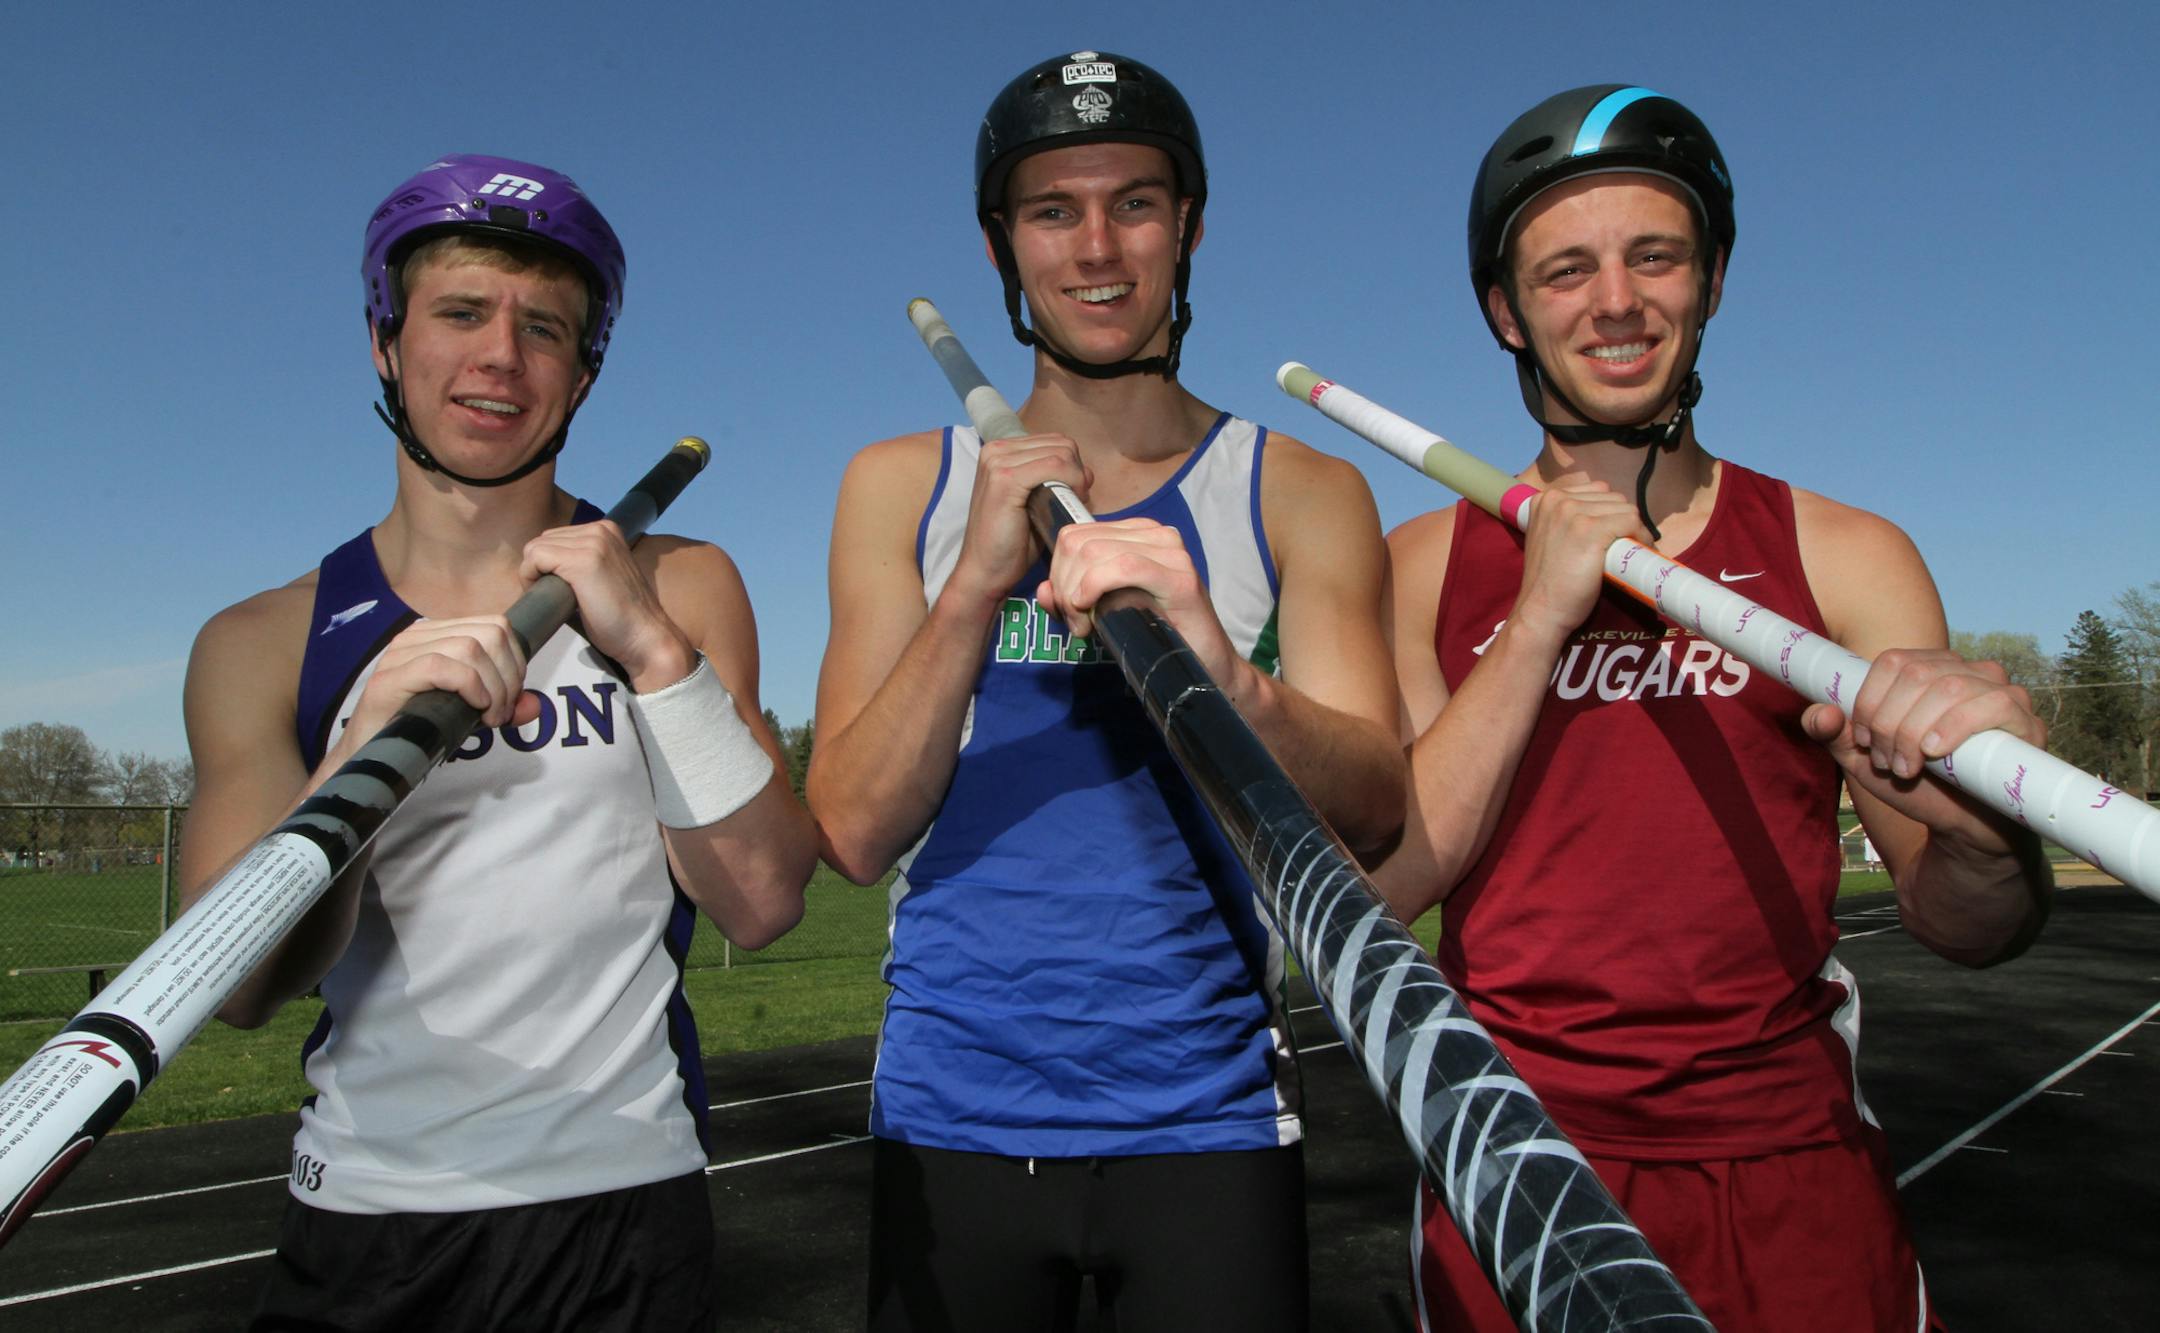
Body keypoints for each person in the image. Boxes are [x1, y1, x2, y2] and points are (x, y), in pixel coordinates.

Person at [1373, 86, 2054, 1332]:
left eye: (1656, 256)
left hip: (1794, 1167)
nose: (1617, 301)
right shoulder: (1419, 563)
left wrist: (1974, 828)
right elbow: (1396, 877)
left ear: (1714, 278)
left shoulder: (1848, 555)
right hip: (1518, 1169)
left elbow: (1970, 925)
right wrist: (1538, 614)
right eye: (1566, 269)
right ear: (1504, 311)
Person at [807, 50, 1403, 1332]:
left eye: (1134, 202)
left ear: (1188, 227)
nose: (1097, 247)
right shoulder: (898, 486)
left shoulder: (1299, 490)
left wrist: (1224, 668)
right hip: (951, 1115)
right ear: (1000, 250)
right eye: (1050, 210)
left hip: (1211, 1117)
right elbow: (852, 830)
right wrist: (974, 586)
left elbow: (1372, 806)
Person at [177, 153, 817, 1331]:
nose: (499, 358)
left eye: (545, 329)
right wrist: (355, 756)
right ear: (386, 343)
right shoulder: (266, 639)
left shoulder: (684, 582)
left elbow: (766, 900)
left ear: (582, 374)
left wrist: (657, 656)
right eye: (461, 313)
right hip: (369, 1211)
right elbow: (240, 984)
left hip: (623, 1203)